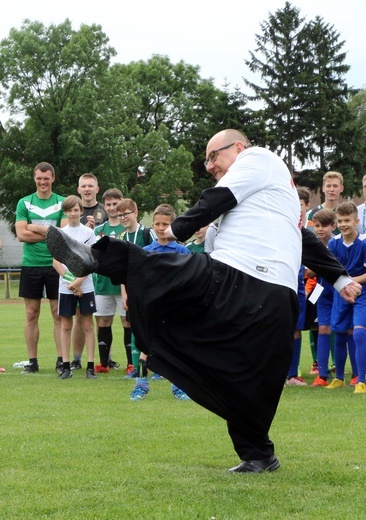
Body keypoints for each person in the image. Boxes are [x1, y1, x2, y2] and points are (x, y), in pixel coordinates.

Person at [46, 129, 361, 473]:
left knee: (166, 266)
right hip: (273, 302)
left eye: (214, 156)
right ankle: (258, 455)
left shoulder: (257, 159)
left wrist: (177, 229)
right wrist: (341, 277)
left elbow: (216, 198)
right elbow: (301, 238)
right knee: (243, 378)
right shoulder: (274, 200)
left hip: (240, 278)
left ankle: (95, 258)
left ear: (238, 148)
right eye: (207, 160)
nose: (210, 165)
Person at [128, 203, 191, 401]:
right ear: (152, 225)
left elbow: (189, 280)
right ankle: (140, 386)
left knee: (176, 348)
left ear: (173, 225)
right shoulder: (146, 251)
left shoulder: (182, 252)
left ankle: (179, 387)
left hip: (175, 308)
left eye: (165, 224)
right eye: (157, 224)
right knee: (146, 348)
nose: (161, 228)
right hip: (152, 308)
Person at [15, 162, 67, 374]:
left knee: (57, 314)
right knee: (31, 313)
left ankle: (60, 360)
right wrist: (49, 232)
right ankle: (33, 361)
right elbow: (20, 235)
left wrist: (34, 228)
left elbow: (63, 236)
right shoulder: (24, 203)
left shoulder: (62, 202)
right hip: (31, 265)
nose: (43, 182)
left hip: (55, 265)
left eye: (46, 178)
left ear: (53, 178)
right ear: (34, 178)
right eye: (39, 178)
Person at [52, 196, 97, 379]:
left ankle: (90, 367)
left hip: (85, 285)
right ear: (65, 212)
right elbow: (56, 262)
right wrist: (72, 282)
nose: (73, 213)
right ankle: (65, 366)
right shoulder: (60, 233)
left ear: (81, 211)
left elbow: (92, 260)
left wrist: (79, 282)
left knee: (87, 325)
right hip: (66, 287)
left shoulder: (88, 233)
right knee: (66, 325)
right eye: (70, 210)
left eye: (76, 210)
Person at [326, 202, 366, 393]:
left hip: (362, 293)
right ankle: (339, 378)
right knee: (339, 333)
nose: (343, 224)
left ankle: (361, 380)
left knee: (359, 333)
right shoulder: (333, 243)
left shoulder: (364, 242)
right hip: (341, 294)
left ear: (356, 221)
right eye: (340, 220)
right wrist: (344, 285)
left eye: (347, 220)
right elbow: (329, 270)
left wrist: (351, 282)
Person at [70, 173, 109, 370]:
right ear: (78, 189)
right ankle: (76, 358)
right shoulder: (72, 210)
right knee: (79, 317)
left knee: (102, 318)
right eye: (83, 186)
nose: (87, 189)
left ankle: (104, 358)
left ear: (97, 188)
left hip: (100, 272)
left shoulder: (105, 210)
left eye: (90, 186)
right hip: (79, 273)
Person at [117, 198, 157, 378]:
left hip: (151, 288)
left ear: (135, 213)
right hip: (133, 290)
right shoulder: (121, 238)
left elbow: (158, 259)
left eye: (126, 213)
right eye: (119, 215)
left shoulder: (149, 233)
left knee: (155, 328)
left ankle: (158, 368)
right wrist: (124, 293)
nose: (123, 217)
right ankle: (135, 367)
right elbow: (122, 269)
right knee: (135, 328)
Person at [93, 188, 126, 373]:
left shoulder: (127, 228)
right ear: (104, 207)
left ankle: (131, 362)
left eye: (115, 204)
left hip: (123, 286)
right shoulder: (99, 230)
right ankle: (104, 363)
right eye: (109, 204)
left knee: (127, 322)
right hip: (103, 284)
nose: (112, 208)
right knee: (103, 322)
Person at [309, 209, 337, 387]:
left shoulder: (338, 243)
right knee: (323, 330)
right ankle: (322, 375)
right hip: (322, 293)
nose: (320, 229)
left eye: (324, 226)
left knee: (348, 332)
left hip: (339, 292)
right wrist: (319, 265)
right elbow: (309, 271)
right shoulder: (312, 245)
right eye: (317, 226)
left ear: (333, 226)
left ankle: (355, 374)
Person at [286, 187, 310, 386]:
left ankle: (293, 375)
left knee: (296, 328)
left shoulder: (308, 231)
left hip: (299, 283)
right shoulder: (282, 225)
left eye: (300, 205)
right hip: (281, 282)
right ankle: (277, 374)